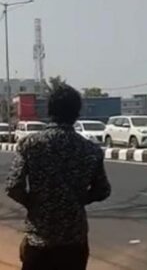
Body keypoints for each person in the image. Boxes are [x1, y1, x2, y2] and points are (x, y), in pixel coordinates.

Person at [5, 84, 111, 270]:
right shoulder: (90, 150)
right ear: (77, 114)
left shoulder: (30, 144)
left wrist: (34, 204)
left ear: (49, 111)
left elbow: (13, 186)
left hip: (39, 240)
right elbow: (102, 190)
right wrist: (76, 200)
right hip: (74, 242)